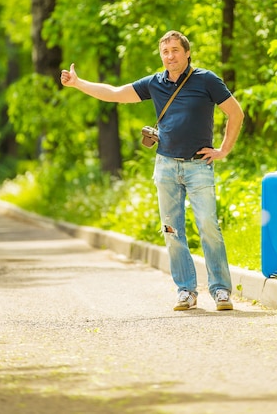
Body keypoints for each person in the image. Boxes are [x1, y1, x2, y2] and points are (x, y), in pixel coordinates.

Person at [61, 30, 244, 311]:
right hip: (166, 166)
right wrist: (78, 83)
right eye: (165, 51)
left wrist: (223, 150)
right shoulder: (154, 84)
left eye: (175, 50)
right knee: (172, 230)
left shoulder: (206, 80)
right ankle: (186, 291)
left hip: (199, 167)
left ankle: (221, 291)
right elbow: (114, 93)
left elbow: (236, 112)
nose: (170, 56)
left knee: (209, 226)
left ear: (187, 53)